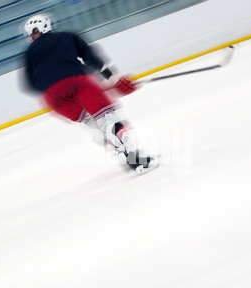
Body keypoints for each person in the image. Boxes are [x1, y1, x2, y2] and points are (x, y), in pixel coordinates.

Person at [23, 14, 157, 173]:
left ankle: (119, 151)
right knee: (107, 118)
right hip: (78, 83)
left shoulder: (29, 53)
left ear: (35, 32)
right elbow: (90, 58)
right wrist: (111, 77)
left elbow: (30, 83)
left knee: (92, 122)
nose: (30, 38)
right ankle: (133, 159)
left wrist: (54, 86)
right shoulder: (67, 37)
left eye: (30, 34)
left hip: (53, 97)